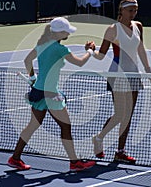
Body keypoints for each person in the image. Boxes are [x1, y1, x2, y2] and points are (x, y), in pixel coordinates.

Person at [8, 17, 96, 172]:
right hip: (50, 94)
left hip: (38, 91)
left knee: (33, 125)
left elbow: (27, 61)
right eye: (66, 31)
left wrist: (33, 78)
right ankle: (74, 162)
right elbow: (80, 62)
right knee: (66, 126)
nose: (68, 33)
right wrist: (90, 51)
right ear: (60, 33)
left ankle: (15, 158)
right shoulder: (59, 49)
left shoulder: (41, 45)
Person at [85, 0, 151, 164]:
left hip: (133, 74)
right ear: (121, 11)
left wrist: (148, 69)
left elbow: (141, 48)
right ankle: (99, 138)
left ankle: (120, 151)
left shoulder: (138, 26)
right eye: (130, 10)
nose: (133, 13)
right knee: (120, 113)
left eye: (135, 10)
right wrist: (91, 50)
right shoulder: (112, 29)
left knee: (128, 115)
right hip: (117, 75)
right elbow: (101, 56)